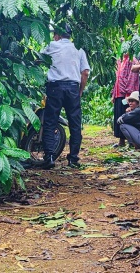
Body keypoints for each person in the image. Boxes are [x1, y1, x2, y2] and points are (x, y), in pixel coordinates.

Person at [39, 23, 91, 169]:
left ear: (57, 35)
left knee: (50, 122)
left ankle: (49, 156)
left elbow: (37, 59)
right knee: (75, 124)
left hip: (55, 87)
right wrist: (80, 91)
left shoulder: (52, 46)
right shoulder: (78, 49)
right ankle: (73, 159)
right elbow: (85, 72)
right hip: (73, 88)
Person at [112, 48, 140, 148]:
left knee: (128, 116)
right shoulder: (119, 60)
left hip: (127, 94)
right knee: (119, 116)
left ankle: (132, 141)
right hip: (119, 94)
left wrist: (130, 94)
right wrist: (113, 94)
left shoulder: (132, 60)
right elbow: (117, 79)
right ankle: (121, 140)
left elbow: (133, 78)